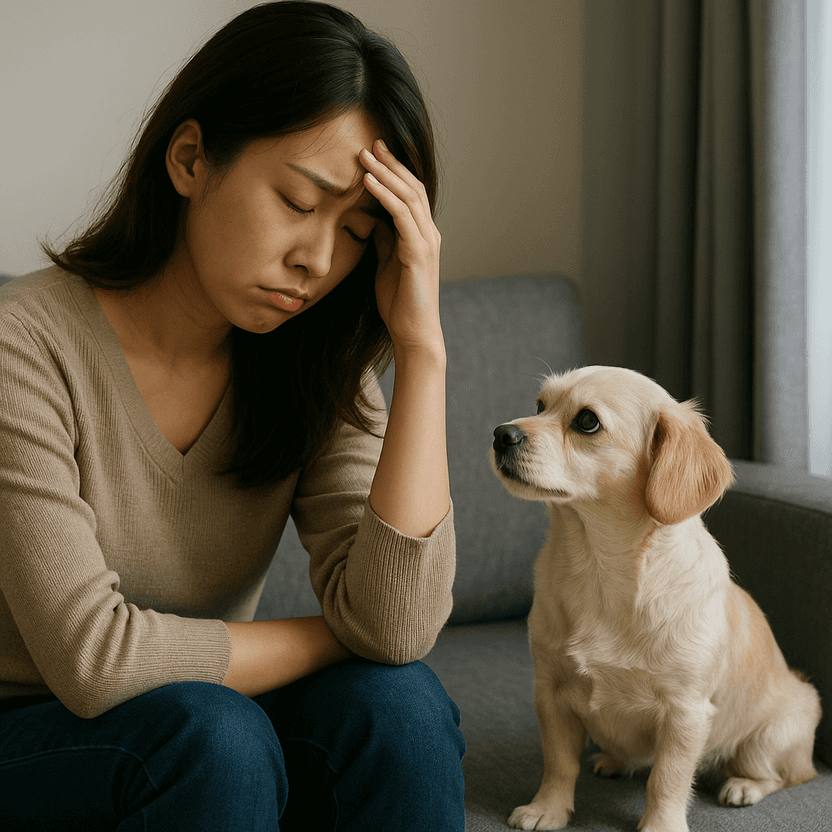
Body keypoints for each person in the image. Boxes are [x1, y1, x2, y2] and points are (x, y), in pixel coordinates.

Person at [0, 2, 465, 829]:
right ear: (190, 159)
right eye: (296, 201)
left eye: (357, 232)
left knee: (400, 708)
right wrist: (336, 635)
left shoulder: (311, 358)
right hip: (28, 734)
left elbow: (395, 630)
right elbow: (94, 662)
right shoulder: (23, 347)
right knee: (214, 737)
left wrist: (421, 349)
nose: (317, 261)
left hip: (196, 721)